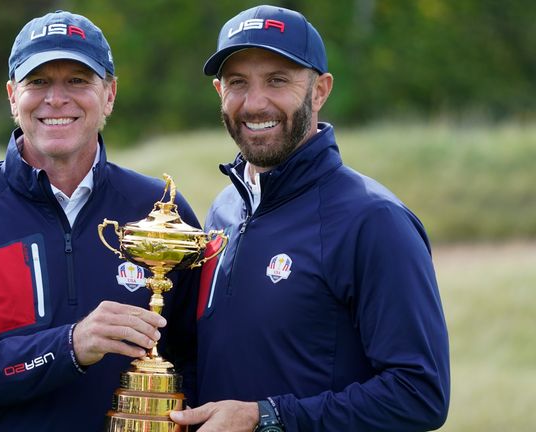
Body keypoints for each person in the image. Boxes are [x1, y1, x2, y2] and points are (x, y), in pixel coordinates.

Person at [0, 10, 198, 431]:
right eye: (38, 82)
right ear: (11, 95)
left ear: (109, 94)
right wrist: (69, 346)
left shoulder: (160, 211)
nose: (56, 99)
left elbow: (195, 360)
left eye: (78, 80)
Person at [170, 5, 450, 432]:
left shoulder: (374, 220)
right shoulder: (224, 208)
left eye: (278, 80)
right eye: (237, 83)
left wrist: (266, 418)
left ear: (319, 90)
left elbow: (420, 394)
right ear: (218, 92)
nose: (255, 102)